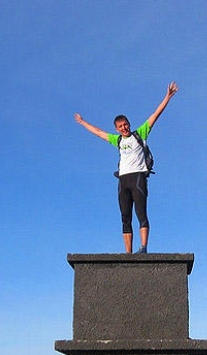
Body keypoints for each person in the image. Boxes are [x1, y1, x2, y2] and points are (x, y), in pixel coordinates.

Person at [74, 82, 179, 254]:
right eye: (120, 126)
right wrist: (82, 122)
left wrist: (167, 97)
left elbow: (155, 115)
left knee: (141, 213)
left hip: (138, 178)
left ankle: (143, 248)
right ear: (117, 128)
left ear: (129, 124)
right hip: (123, 180)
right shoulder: (118, 141)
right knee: (125, 217)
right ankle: (128, 254)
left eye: (126, 124)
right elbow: (99, 132)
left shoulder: (140, 134)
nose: (124, 128)